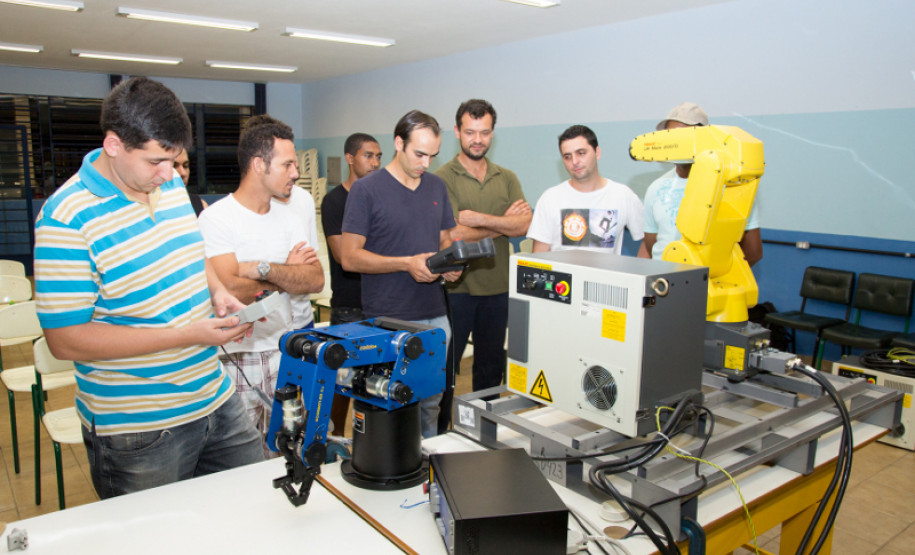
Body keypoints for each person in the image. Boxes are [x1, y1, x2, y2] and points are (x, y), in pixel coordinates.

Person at [33, 76, 264, 499]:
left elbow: (194, 256)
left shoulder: (170, 184)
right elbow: (64, 340)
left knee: (257, 504)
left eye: (176, 160)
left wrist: (217, 292)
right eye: (157, 161)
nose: (168, 173)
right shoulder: (65, 220)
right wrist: (186, 335)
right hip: (138, 428)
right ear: (114, 145)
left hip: (212, 394)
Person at [197, 115, 324, 453]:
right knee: (239, 459)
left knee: (286, 451)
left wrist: (260, 269)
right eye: (287, 165)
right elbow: (228, 289)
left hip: (283, 350)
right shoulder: (217, 219)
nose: (295, 173)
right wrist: (285, 275)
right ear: (258, 165)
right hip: (237, 356)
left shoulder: (291, 217)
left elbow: (314, 279)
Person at [340, 110, 461, 439]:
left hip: (435, 318)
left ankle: (427, 471)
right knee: (385, 404)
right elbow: (350, 257)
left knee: (430, 403)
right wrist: (406, 263)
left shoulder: (436, 187)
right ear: (398, 143)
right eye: (419, 154)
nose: (426, 163)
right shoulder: (366, 190)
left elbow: (445, 240)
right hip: (387, 318)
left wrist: (449, 267)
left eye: (432, 156)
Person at [435, 99, 531, 431]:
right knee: (446, 368)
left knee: (490, 369)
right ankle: (440, 434)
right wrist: (503, 223)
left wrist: (478, 220)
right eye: (471, 132)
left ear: (492, 133)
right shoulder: (441, 178)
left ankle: (483, 431)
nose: (478, 139)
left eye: (485, 132)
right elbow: (454, 233)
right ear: (458, 132)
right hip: (457, 290)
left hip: (499, 288)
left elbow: (523, 226)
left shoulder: (507, 177)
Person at [637, 102, 763, 266]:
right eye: (669, 136)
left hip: (707, 286)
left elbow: (753, 252)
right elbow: (652, 244)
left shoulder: (732, 186)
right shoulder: (656, 188)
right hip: (665, 285)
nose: (674, 144)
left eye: (682, 137)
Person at [321, 132, 382, 435]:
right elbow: (344, 254)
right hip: (349, 307)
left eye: (378, 156)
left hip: (382, 304)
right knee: (341, 383)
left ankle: (370, 446)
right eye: (368, 155)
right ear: (350, 158)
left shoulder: (379, 196)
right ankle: (333, 440)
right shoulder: (335, 201)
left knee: (374, 385)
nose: (375, 162)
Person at [528, 125, 644, 253]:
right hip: (561, 273)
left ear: (597, 153)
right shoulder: (550, 198)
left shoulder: (623, 195)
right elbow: (538, 256)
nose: (575, 161)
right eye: (567, 156)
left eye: (581, 153)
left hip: (606, 273)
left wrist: (638, 270)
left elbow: (650, 241)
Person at [173, 148, 207, 216]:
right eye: (174, 166)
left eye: (185, 166)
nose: (183, 173)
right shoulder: (148, 209)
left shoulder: (200, 205)